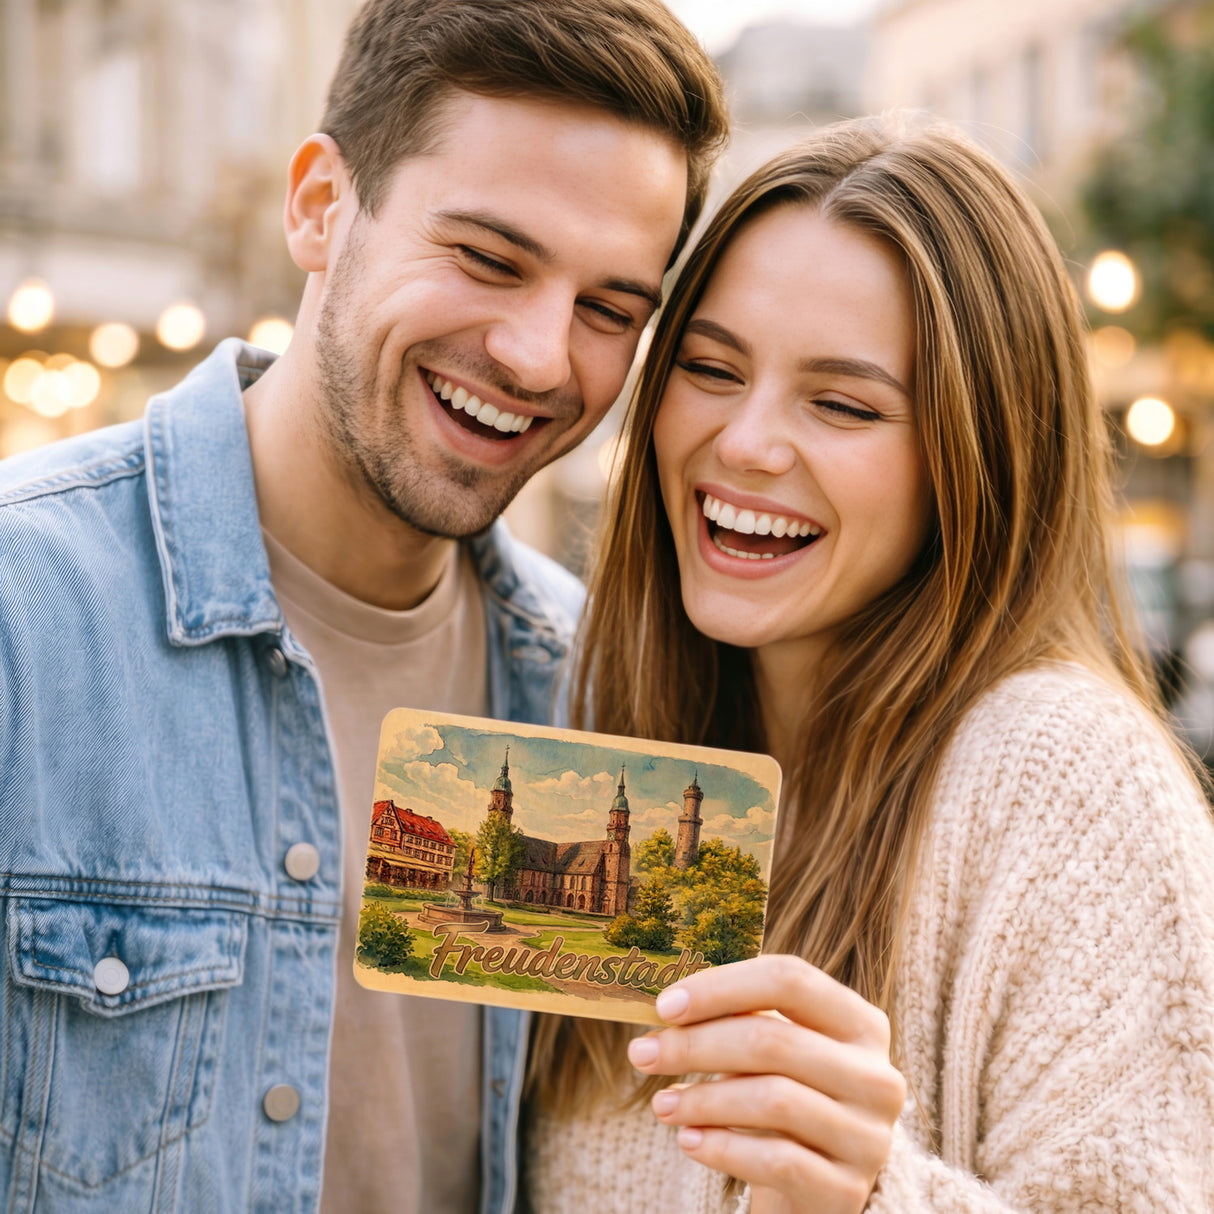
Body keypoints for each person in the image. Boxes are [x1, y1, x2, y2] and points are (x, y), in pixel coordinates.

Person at [0, 2, 728, 1211]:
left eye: (609, 308)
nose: (542, 356)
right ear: (320, 207)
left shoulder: (597, 696)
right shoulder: (27, 612)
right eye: (488, 257)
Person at [522, 115, 1214, 1213]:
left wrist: (869, 1194)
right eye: (708, 367)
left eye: (840, 403)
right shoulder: (616, 732)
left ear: (972, 455)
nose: (746, 441)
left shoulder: (1067, 783)